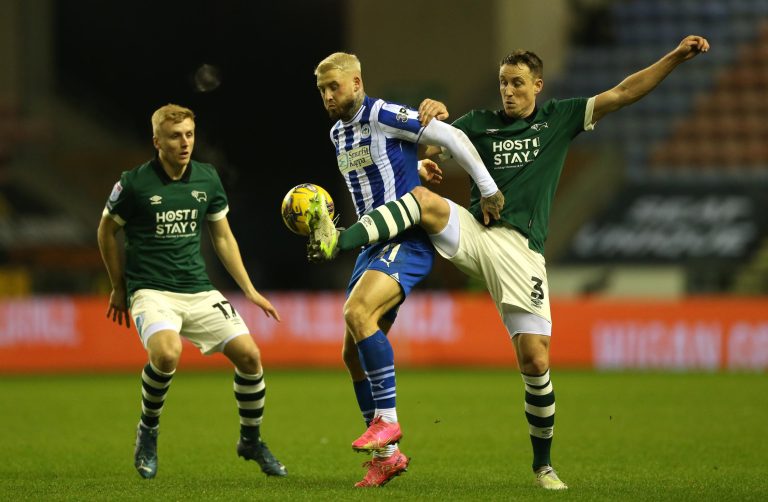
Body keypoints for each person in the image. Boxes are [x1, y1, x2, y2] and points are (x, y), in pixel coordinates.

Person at [308, 36, 711, 490]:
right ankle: (342, 242)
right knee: (422, 201)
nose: (508, 91)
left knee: (535, 361)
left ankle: (543, 464)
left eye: (518, 83)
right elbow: (435, 143)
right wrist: (429, 137)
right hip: (478, 234)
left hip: (521, 252)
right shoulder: (480, 122)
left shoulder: (558, 119)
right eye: (503, 83)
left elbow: (622, 93)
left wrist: (675, 57)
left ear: (537, 85)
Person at [311, 52, 503, 488]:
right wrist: (412, 165)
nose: (327, 96)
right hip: (372, 245)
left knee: (357, 314)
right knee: (350, 354)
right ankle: (387, 457)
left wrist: (487, 188)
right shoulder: (338, 133)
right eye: (322, 90)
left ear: (356, 82)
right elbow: (378, 168)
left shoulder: (380, 111)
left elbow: (451, 137)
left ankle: (388, 422)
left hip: (405, 239)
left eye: (334, 87)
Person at [96, 103, 287, 479]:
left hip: (198, 289)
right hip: (151, 291)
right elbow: (105, 230)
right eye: (174, 136)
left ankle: (250, 439)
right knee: (167, 354)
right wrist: (119, 286)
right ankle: (148, 432)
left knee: (250, 356)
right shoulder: (133, 183)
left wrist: (248, 289)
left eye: (189, 135)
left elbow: (222, 236)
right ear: (157, 142)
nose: (184, 143)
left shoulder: (207, 178)